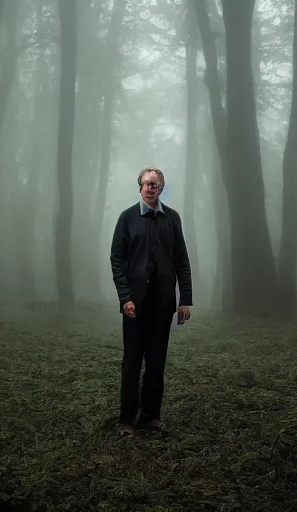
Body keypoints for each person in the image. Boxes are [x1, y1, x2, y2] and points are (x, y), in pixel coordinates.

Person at [109, 167, 192, 435]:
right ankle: (126, 420)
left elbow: (181, 260)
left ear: (161, 188)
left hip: (163, 305)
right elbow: (117, 259)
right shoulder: (127, 218)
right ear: (139, 188)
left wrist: (184, 300)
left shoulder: (172, 219)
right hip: (134, 305)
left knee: (156, 363)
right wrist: (125, 297)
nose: (150, 188)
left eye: (155, 184)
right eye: (146, 184)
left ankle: (150, 417)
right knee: (132, 362)